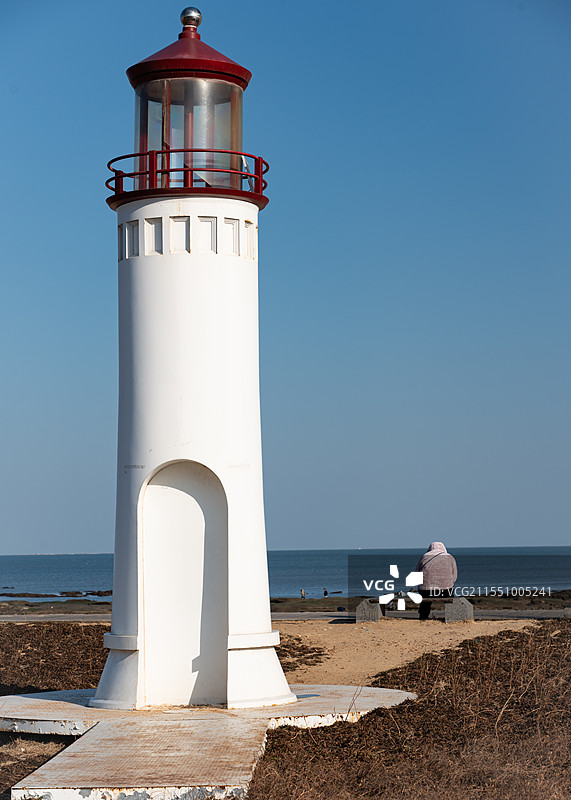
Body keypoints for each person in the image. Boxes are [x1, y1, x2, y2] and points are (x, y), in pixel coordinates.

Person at [415, 542, 457, 621]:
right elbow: (454, 575)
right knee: (450, 596)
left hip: (426, 591)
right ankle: (452, 615)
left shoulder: (425, 556)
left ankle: (423, 616)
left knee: (425, 601)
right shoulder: (450, 557)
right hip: (445, 590)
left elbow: (417, 573)